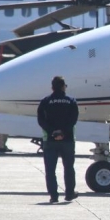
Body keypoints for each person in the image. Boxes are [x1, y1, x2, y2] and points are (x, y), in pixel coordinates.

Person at [36, 76, 79, 204]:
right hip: (68, 140)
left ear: (52, 88)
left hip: (50, 140)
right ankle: (70, 193)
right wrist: (63, 132)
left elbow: (41, 120)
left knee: (50, 169)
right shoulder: (71, 101)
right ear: (63, 86)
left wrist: (53, 132)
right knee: (69, 167)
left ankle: (54, 196)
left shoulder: (45, 101)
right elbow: (73, 120)